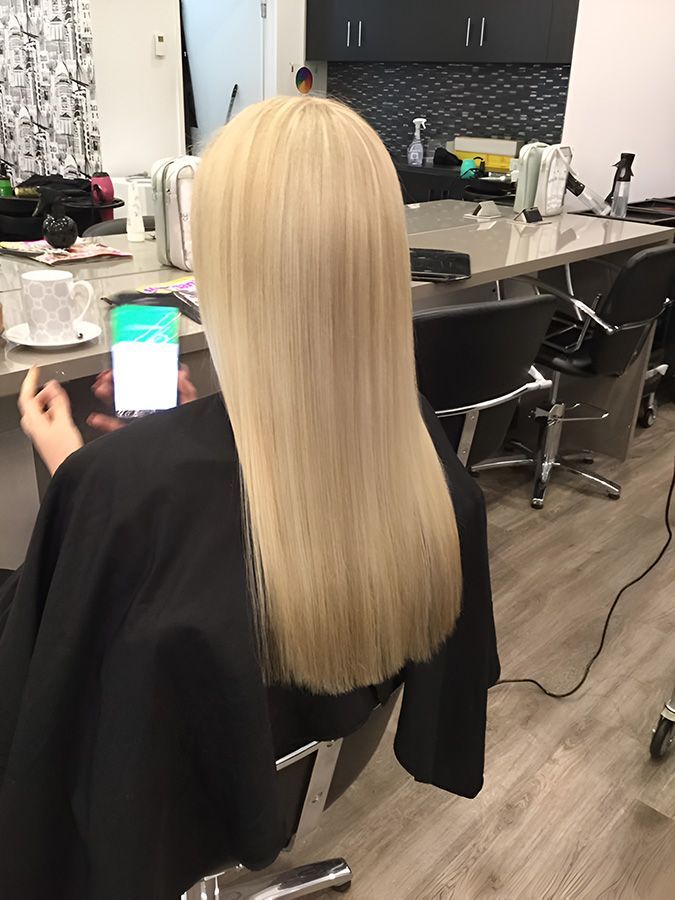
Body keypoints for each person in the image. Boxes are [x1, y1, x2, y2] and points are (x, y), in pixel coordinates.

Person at [0, 97, 499, 899]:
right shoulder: (415, 441)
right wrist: (158, 451)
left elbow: (49, 696)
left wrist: (76, 472)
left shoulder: (116, 490)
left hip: (170, 804)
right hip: (290, 766)